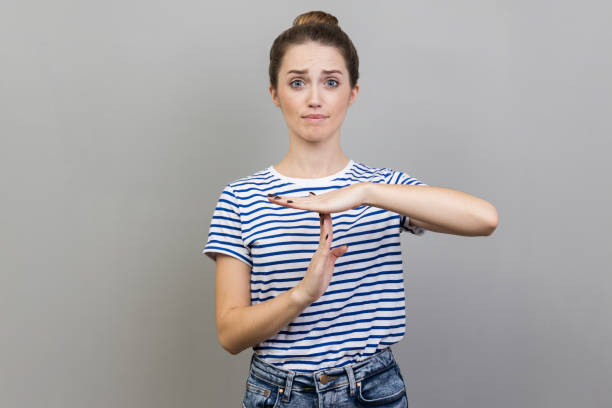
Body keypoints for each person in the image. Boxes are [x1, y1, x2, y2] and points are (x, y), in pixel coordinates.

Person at [203, 10, 498, 407]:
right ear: (275, 92)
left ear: (352, 91)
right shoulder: (242, 197)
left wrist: (362, 193)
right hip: (279, 395)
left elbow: (484, 219)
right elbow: (230, 334)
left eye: (331, 82)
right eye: (297, 82)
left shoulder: (381, 191)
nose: (314, 98)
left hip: (371, 392)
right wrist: (302, 294)